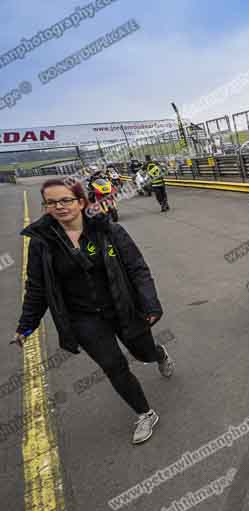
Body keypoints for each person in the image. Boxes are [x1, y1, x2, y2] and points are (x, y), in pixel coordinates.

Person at [11, 178, 174, 445]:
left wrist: (150, 304)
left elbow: (138, 269)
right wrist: (26, 326)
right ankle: (145, 413)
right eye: (51, 202)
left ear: (81, 202)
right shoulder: (42, 244)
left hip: (123, 306)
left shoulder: (109, 230)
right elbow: (38, 288)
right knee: (113, 365)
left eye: (65, 200)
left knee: (142, 352)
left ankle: (158, 354)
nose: (59, 207)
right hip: (83, 319)